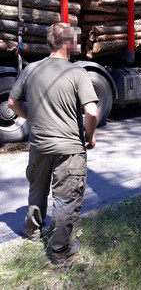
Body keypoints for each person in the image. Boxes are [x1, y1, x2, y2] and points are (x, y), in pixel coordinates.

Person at [8, 23, 99, 264]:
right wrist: (89, 136)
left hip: (39, 145)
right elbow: (91, 112)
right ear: (68, 43)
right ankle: (60, 250)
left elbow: (12, 103)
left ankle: (33, 229)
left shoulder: (31, 70)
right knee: (65, 197)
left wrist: (33, 116)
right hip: (69, 149)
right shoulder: (77, 72)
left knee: (37, 188)